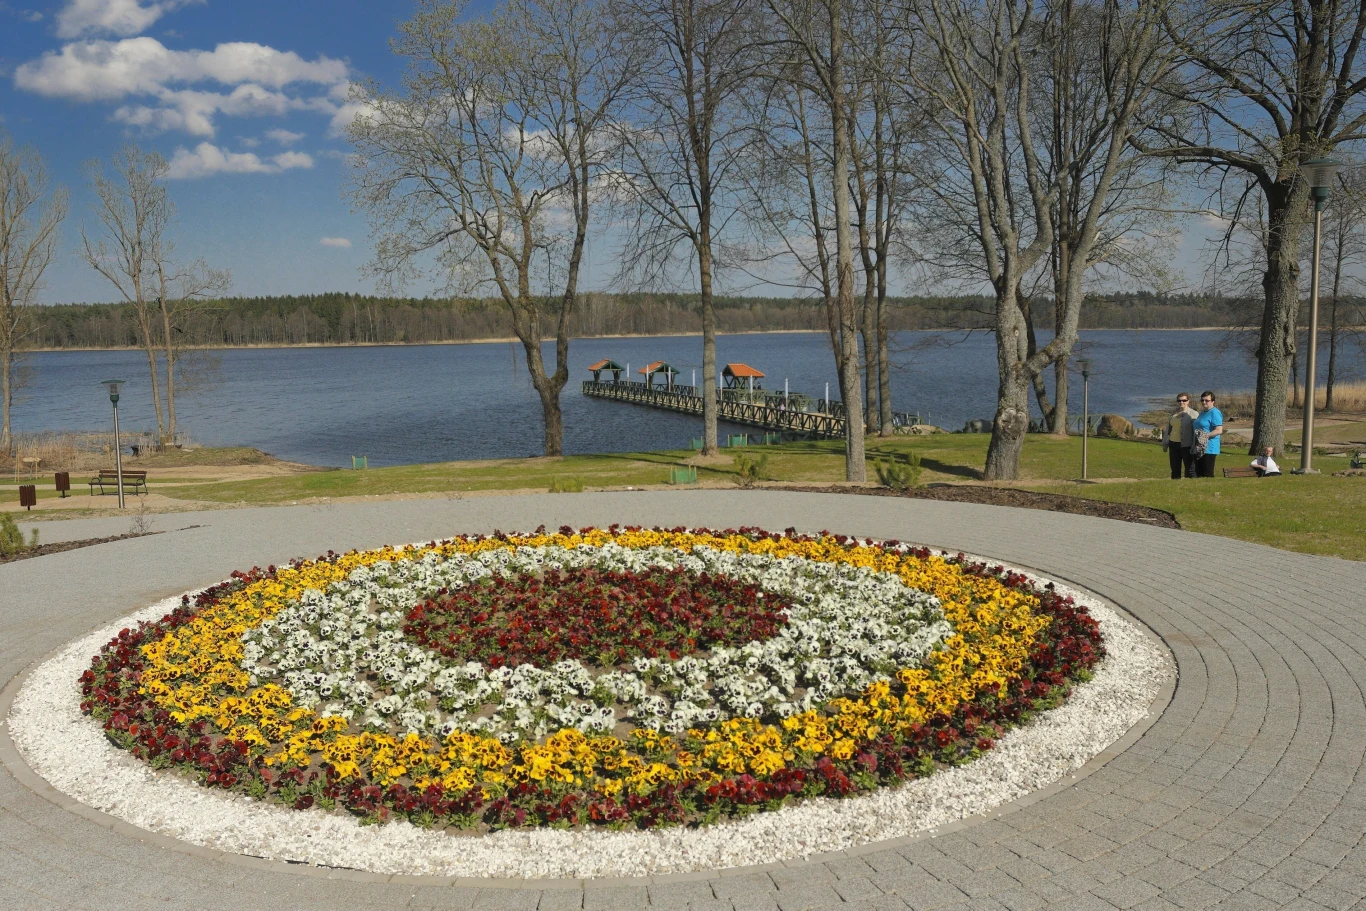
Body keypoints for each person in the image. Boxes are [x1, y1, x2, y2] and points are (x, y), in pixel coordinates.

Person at [1161, 393, 1198, 479]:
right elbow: (1169, 429)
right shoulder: (1174, 413)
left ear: (1188, 401)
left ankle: (1193, 485)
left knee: (1190, 470)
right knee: (1175, 470)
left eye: (1184, 400)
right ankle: (1175, 485)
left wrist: (1194, 446)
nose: (1181, 402)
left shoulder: (1193, 414)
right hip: (1173, 444)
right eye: (1179, 400)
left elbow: (1196, 432)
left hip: (1187, 445)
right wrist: (1165, 443)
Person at [1191, 391, 1224, 477]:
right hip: (1199, 446)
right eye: (1202, 400)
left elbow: (1219, 430)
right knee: (1199, 473)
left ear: (1213, 401)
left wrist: (1204, 436)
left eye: (1207, 400)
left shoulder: (1215, 412)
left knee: (1207, 474)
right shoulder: (1202, 413)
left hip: (1209, 447)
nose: (1204, 402)